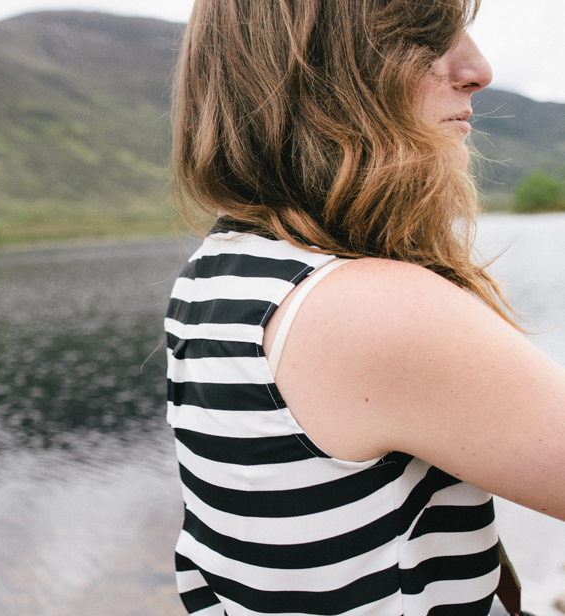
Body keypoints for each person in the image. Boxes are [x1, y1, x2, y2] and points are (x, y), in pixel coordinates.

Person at [165, 0, 565, 615]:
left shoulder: (219, 273)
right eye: (426, 32)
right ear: (325, 67)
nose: (476, 69)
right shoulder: (365, 307)